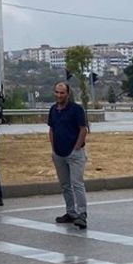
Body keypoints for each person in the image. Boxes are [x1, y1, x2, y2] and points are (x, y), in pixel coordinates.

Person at [48, 82, 89, 229]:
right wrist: (53, 148)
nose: (59, 95)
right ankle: (71, 212)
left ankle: (82, 214)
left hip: (74, 153)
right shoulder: (53, 110)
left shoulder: (76, 109)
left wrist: (76, 148)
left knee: (77, 184)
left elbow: (83, 129)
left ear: (67, 94)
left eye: (62, 93)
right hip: (59, 154)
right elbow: (52, 129)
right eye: (57, 92)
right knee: (65, 185)